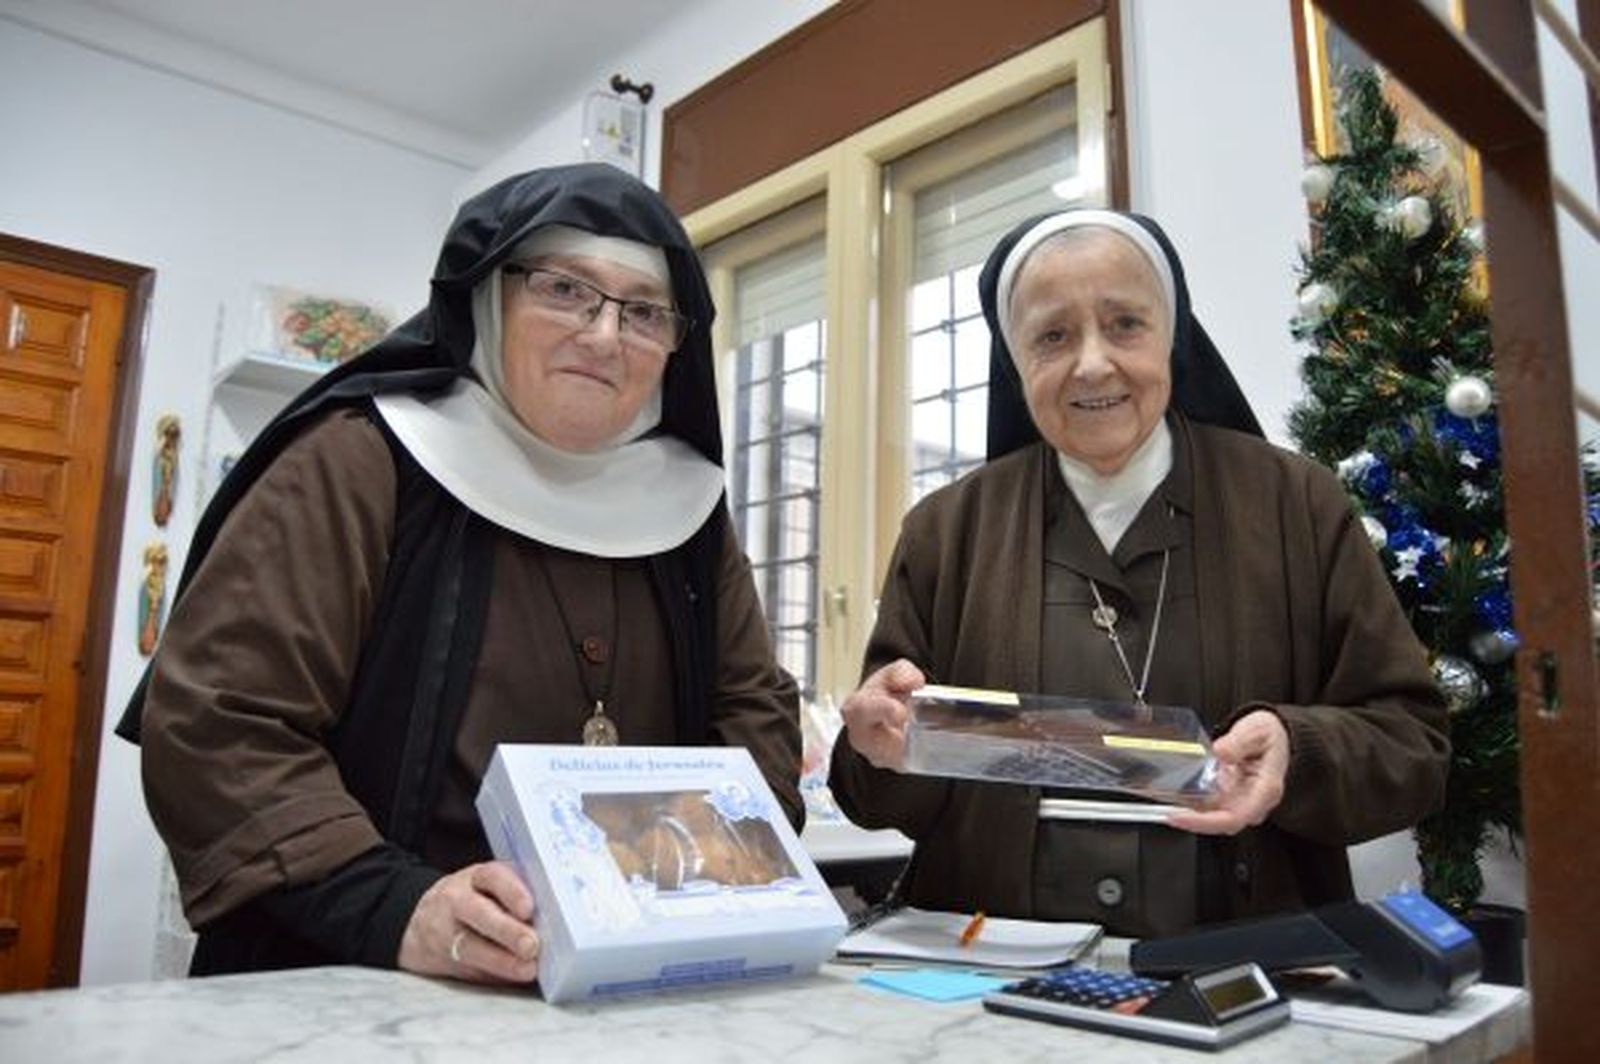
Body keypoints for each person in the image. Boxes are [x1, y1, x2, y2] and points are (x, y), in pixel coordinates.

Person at [119, 164, 801, 984]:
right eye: (563, 288)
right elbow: (220, 721)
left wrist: (724, 870)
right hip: (355, 970)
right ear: (487, 298)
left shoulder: (688, 513)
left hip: (621, 977)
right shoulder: (358, 459)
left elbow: (753, 710)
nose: (605, 335)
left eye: (645, 312)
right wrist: (395, 906)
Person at [828, 208, 1449, 938]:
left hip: (1239, 969)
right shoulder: (944, 531)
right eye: (1052, 336)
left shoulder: (1295, 503)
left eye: (1125, 323)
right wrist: (879, 749)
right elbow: (874, 791)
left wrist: (1297, 748)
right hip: (992, 975)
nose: (1093, 363)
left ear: (1172, 334)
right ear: (1015, 359)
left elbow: (1413, 744)